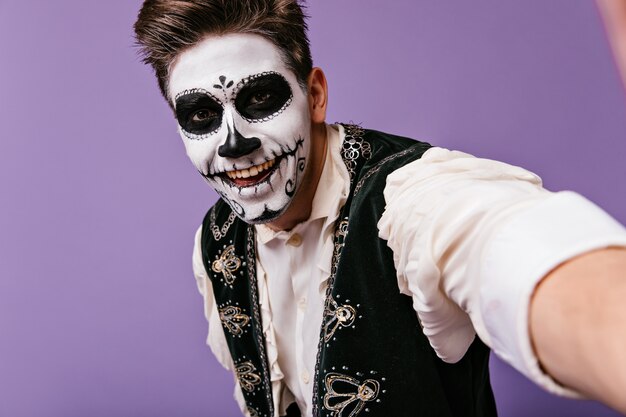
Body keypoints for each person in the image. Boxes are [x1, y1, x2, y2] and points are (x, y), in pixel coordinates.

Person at [133, 1, 626, 416]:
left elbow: (499, 241)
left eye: (261, 98)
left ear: (316, 95)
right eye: (202, 115)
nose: (234, 144)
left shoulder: (414, 198)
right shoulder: (214, 243)